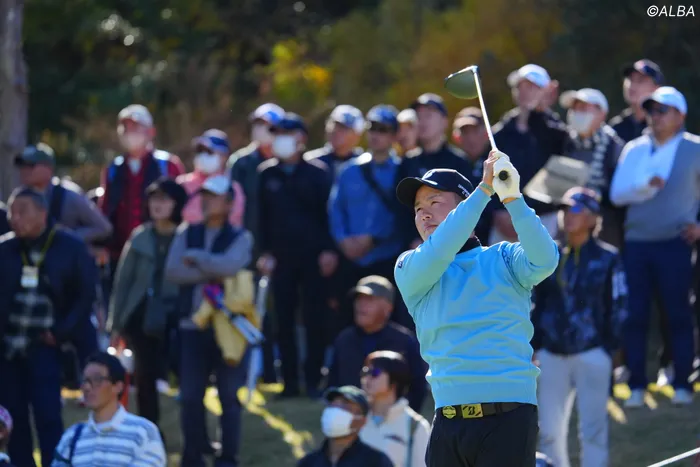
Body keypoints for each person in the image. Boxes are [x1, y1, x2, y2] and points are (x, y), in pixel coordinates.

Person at [394, 153, 559, 466]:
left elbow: (545, 259)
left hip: (508, 418)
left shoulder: (504, 258)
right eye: (417, 209)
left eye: (434, 202)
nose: (423, 214)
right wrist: (484, 190)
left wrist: (513, 199)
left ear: (463, 206)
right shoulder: (410, 266)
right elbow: (442, 247)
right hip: (447, 422)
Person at [610, 86, 699, 407]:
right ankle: (636, 384)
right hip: (637, 244)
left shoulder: (695, 149)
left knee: (678, 314)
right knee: (635, 316)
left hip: (676, 243)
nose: (655, 116)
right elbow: (617, 195)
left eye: (663, 110)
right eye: (652, 110)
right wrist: (643, 187)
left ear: (680, 116)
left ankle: (682, 382)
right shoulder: (634, 148)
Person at [532, 187, 628, 467]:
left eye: (575, 209)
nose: (567, 215)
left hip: (592, 352)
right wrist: (535, 345)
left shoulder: (608, 258)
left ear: (592, 218)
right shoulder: (550, 254)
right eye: (564, 209)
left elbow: (619, 304)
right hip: (551, 354)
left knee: (594, 431)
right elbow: (537, 303)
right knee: (548, 432)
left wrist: (608, 348)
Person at [0, 188, 96, 467]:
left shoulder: (71, 247)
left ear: (42, 214)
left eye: (22, 212)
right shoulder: (4, 249)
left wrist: (62, 332)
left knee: (48, 415)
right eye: (12, 213)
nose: (15, 218)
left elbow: (85, 296)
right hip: (8, 348)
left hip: (46, 345)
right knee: (12, 416)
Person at [165, 174, 254, 466]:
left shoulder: (241, 237)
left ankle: (227, 456)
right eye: (204, 196)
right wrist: (213, 269)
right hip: (192, 327)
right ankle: (193, 454)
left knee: (229, 395)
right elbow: (173, 271)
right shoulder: (185, 232)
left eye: (214, 197)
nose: (207, 201)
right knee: (190, 395)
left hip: (229, 328)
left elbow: (231, 266)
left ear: (229, 203)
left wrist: (197, 257)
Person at [257, 113, 336, 398]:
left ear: (301, 138)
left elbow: (328, 216)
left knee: (314, 318)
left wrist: (329, 250)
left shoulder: (318, 173)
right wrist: (264, 253)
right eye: (276, 134)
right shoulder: (266, 173)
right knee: (284, 320)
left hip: (314, 258)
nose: (279, 140)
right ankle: (289, 382)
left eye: (285, 134)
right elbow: (260, 218)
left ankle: (313, 380)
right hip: (280, 259)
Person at [108, 178, 188, 433]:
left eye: (164, 199)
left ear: (177, 203)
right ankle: (149, 431)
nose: (157, 204)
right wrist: (116, 325)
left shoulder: (188, 235)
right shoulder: (140, 236)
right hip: (141, 316)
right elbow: (123, 282)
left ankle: (195, 435)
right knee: (145, 379)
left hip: (179, 315)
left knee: (189, 378)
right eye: (154, 199)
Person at [329, 105, 409, 330]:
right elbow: (336, 209)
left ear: (394, 135)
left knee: (390, 326)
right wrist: (343, 241)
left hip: (387, 260)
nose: (376, 134)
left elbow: (403, 213)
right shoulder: (349, 170)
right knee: (347, 325)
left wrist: (372, 239)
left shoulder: (403, 170)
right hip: (350, 260)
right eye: (372, 127)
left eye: (383, 129)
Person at [528, 88, 625, 247]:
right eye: (574, 109)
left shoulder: (615, 147)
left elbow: (619, 193)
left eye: (583, 108)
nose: (577, 113)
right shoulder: (566, 140)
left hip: (602, 228)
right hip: (566, 224)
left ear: (601, 113)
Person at [99, 104, 185, 268]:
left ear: (151, 131)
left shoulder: (167, 165)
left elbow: (181, 208)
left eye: (135, 127)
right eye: (125, 128)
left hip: (161, 251)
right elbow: (105, 210)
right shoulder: (113, 169)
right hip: (119, 254)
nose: (129, 132)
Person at [328, 276, 427, 412]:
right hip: (351, 419)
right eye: (359, 299)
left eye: (369, 299)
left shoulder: (405, 341)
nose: (361, 305)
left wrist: (401, 417)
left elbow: (418, 387)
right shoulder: (344, 339)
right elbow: (333, 384)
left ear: (388, 307)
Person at [52, 352, 166, 467]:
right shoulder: (72, 436)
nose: (87, 387)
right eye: (85, 380)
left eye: (97, 379)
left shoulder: (143, 432)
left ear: (118, 386)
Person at [491, 64, 561, 244]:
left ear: (547, 92)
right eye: (519, 87)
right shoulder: (501, 131)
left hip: (543, 219)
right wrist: (498, 211)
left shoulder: (557, 131)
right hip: (504, 222)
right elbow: (490, 174)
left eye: (531, 87)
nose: (523, 92)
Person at [15, 143, 112, 243]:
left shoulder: (69, 195)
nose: (24, 170)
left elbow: (103, 227)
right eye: (22, 165)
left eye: (30, 165)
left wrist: (67, 239)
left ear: (48, 168)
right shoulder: (19, 197)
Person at [359, 351, 430, 467]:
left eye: (374, 372)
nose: (367, 378)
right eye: (365, 372)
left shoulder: (415, 425)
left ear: (395, 378)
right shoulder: (355, 418)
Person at [298, 386, 393, 467]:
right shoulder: (308, 462)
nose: (335, 413)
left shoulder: (376, 462)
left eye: (345, 407)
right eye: (332, 406)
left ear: (361, 421)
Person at [179, 129, 245, 226]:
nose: (203, 155)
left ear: (224, 156)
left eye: (209, 152)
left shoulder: (232, 188)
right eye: (200, 151)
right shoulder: (182, 184)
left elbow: (234, 220)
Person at [452, 107, 493, 243]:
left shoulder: (498, 161)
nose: (470, 138)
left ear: (486, 133)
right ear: (457, 137)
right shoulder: (452, 164)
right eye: (465, 132)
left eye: (475, 131)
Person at [609, 59, 664, 144]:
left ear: (656, 88)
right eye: (630, 79)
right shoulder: (616, 127)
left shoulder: (664, 124)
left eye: (640, 80)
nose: (632, 85)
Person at [305, 104, 366, 178]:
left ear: (357, 136)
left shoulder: (365, 166)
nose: (335, 130)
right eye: (334, 124)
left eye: (344, 127)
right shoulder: (309, 162)